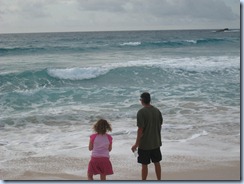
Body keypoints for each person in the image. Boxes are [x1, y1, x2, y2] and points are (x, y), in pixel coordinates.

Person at [131, 92, 163, 180]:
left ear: (142, 100)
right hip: (156, 142)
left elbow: (140, 129)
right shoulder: (157, 111)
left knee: (144, 165)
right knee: (157, 162)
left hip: (144, 144)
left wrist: (136, 144)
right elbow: (160, 125)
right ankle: (159, 180)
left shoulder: (141, 112)